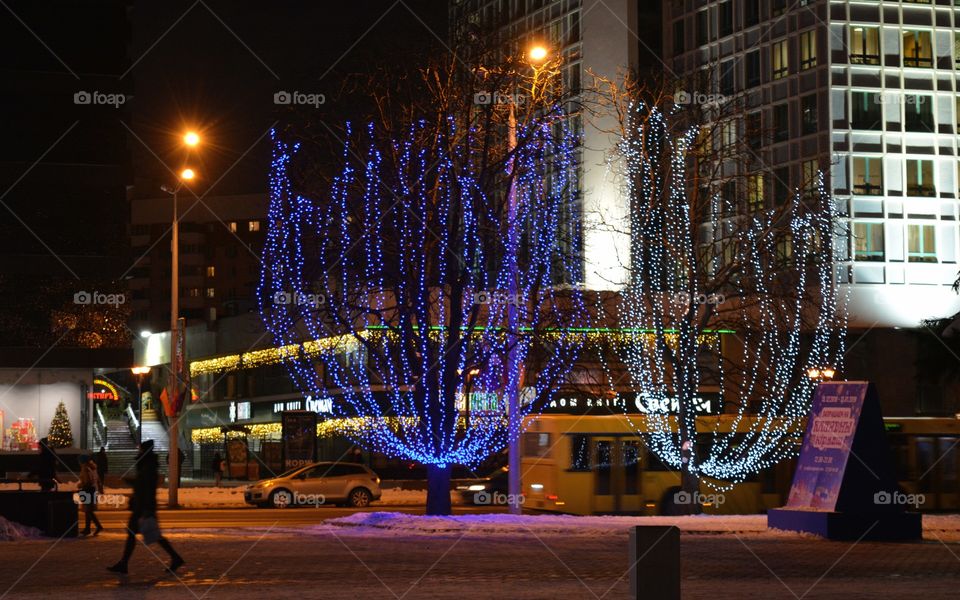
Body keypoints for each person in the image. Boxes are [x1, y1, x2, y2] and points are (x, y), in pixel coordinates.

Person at [107, 440, 184, 575]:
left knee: (147, 535)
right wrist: (132, 482)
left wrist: (147, 509)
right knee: (147, 535)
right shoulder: (148, 465)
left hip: (143, 507)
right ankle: (124, 563)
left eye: (141, 449)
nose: (139, 451)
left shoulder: (148, 466)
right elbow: (143, 484)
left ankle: (124, 564)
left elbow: (147, 488)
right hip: (142, 505)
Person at [78, 455, 103, 536]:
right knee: (88, 510)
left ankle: (98, 526)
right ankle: (87, 528)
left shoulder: (86, 468)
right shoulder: (93, 468)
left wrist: (80, 485)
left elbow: (88, 481)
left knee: (88, 511)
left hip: (87, 491)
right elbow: (98, 480)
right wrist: (100, 488)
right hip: (93, 490)